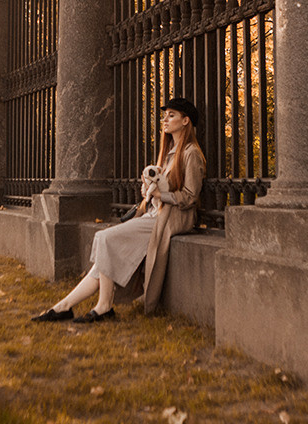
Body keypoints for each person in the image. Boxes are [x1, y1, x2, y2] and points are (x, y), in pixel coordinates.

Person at [32, 97, 205, 323]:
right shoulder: (169, 151)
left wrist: (160, 195)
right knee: (105, 255)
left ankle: (103, 306)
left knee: (104, 238)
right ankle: (64, 306)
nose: (165, 119)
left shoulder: (191, 153)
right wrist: (148, 188)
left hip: (169, 219)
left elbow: (190, 197)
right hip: (154, 214)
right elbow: (162, 188)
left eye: (171, 115)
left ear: (185, 121)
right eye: (165, 115)